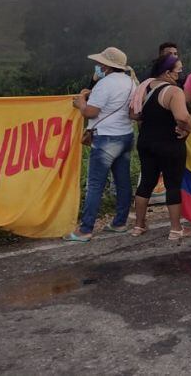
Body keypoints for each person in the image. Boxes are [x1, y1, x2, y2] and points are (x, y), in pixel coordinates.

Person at [66, 47, 137, 242]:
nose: (98, 65)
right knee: (122, 181)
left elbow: (91, 112)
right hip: (126, 135)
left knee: (95, 184)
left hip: (106, 138)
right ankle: (120, 222)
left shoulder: (105, 84)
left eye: (101, 63)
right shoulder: (130, 82)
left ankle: (86, 229)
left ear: (107, 65)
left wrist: (80, 102)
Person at [130, 54, 191, 241]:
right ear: (167, 73)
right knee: (173, 184)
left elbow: (134, 115)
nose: (180, 74)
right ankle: (176, 229)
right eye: (178, 71)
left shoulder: (144, 87)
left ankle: (138, 225)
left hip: (145, 142)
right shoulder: (174, 92)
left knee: (146, 183)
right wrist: (190, 128)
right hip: (169, 144)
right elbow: (182, 117)